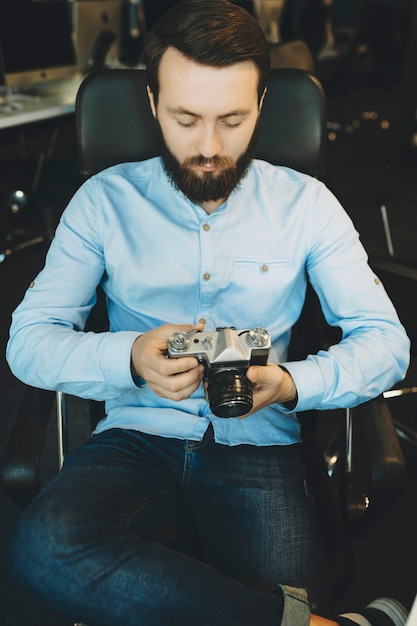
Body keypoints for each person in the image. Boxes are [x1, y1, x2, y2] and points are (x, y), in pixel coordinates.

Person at [5, 1, 410, 625]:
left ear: (263, 104)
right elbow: (27, 342)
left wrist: (292, 383)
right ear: (151, 102)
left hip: (258, 444)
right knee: (45, 549)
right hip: (137, 437)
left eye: (233, 119)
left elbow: (386, 342)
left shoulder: (307, 205)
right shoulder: (103, 202)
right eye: (185, 119)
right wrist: (132, 358)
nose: (209, 148)